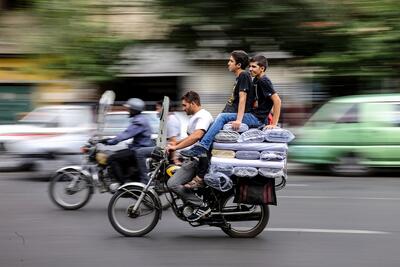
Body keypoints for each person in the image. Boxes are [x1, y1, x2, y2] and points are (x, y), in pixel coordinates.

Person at [180, 50, 261, 157]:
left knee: (221, 118)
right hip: (231, 113)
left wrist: (239, 120)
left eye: (231, 61)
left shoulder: (244, 75)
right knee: (208, 129)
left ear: (239, 65)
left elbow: (243, 98)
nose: (228, 63)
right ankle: (200, 154)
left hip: (240, 115)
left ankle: (202, 147)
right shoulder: (239, 78)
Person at [166, 91, 214, 222]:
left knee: (172, 184)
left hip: (198, 160)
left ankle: (201, 206)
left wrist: (176, 147)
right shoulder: (197, 116)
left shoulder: (203, 116)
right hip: (193, 157)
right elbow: (190, 137)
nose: (183, 108)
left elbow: (197, 136)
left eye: (184, 105)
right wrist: (176, 143)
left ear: (193, 103)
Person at [104, 98, 153, 186]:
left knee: (112, 158)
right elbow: (125, 133)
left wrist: (109, 141)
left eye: (129, 109)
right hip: (136, 148)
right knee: (117, 154)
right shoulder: (140, 118)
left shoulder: (139, 122)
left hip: (138, 150)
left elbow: (125, 134)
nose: (128, 111)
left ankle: (123, 185)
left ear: (134, 110)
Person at [134, 100, 182, 183]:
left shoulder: (171, 121)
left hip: (165, 150)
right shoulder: (169, 119)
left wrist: (174, 158)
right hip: (164, 147)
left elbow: (173, 141)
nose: (156, 111)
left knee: (139, 153)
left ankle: (145, 179)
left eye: (158, 108)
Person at [248, 55, 281, 128]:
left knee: (224, 117)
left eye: (253, 66)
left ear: (262, 68)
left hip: (259, 118)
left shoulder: (263, 80)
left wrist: (273, 124)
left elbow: (277, 100)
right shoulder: (256, 79)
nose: (250, 69)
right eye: (249, 66)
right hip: (259, 116)